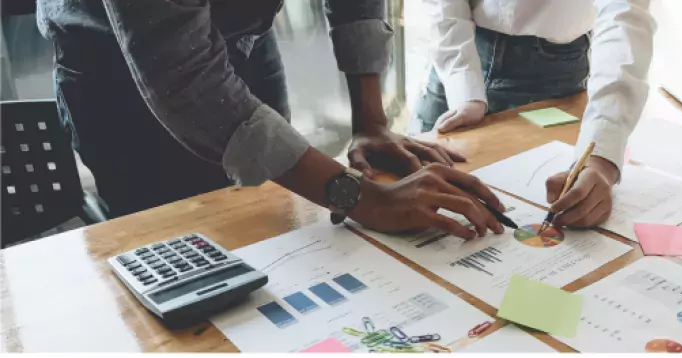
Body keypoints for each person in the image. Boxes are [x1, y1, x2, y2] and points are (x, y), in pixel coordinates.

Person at [37, 0, 504, 239]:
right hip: (118, 65)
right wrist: (363, 199)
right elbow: (183, 75)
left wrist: (370, 119)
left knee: (273, 227)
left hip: (243, 32)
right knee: (180, 259)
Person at [417, 0, 656, 228]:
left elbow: (624, 13)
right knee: (417, 196)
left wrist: (602, 157)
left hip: (557, 70)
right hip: (455, 47)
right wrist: (462, 83)